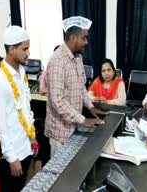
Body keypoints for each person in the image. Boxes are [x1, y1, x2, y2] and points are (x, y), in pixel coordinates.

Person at [44, 16, 105, 156]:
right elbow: (58, 102)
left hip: (74, 128)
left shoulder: (78, 57)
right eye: (84, 38)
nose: (86, 42)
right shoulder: (57, 61)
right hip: (60, 134)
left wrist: (91, 107)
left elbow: (81, 86)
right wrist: (84, 120)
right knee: (61, 176)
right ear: (72, 38)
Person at [0, 25, 38, 192]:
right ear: (11, 49)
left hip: (25, 147)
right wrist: (11, 158)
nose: (28, 53)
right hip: (11, 155)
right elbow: (0, 126)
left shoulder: (21, 72)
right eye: (25, 48)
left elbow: (25, 108)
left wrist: (32, 137)